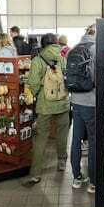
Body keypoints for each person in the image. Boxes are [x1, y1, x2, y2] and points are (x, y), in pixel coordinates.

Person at [22, 33, 69, 186]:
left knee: (41, 137)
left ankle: (36, 173)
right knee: (62, 133)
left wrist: (32, 95)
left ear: (43, 44)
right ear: (55, 43)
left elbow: (33, 83)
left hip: (45, 104)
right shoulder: (63, 57)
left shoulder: (37, 60)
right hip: (63, 102)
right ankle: (62, 162)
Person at [66, 25, 96, 192]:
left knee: (76, 140)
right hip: (91, 102)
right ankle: (93, 182)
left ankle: (77, 178)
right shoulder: (96, 49)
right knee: (93, 141)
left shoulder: (73, 49)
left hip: (75, 101)